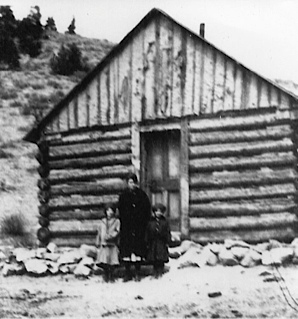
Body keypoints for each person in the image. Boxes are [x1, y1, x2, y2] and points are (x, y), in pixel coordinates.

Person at [118, 172, 151, 281]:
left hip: (138, 227)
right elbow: (121, 211)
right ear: (127, 183)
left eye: (134, 182)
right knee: (127, 250)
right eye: (130, 182)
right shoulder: (123, 196)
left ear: (136, 183)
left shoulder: (142, 195)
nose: (132, 184)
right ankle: (128, 273)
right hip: (127, 226)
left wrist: (142, 222)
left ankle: (137, 272)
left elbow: (147, 210)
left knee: (138, 249)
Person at [95, 204, 120, 282]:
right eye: (108, 210)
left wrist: (110, 236)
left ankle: (112, 276)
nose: (109, 212)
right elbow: (99, 232)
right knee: (104, 261)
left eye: (111, 210)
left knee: (112, 261)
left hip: (112, 244)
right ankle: (106, 275)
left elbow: (117, 231)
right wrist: (98, 241)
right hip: (104, 244)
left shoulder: (116, 221)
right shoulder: (102, 221)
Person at [145, 203, 171, 278]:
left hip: (161, 242)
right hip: (153, 242)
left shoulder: (165, 222)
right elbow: (147, 232)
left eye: (160, 211)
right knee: (154, 257)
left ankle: (160, 271)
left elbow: (167, 232)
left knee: (161, 257)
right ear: (154, 212)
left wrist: (168, 241)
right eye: (156, 211)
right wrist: (147, 241)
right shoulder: (151, 222)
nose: (158, 213)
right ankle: (155, 271)